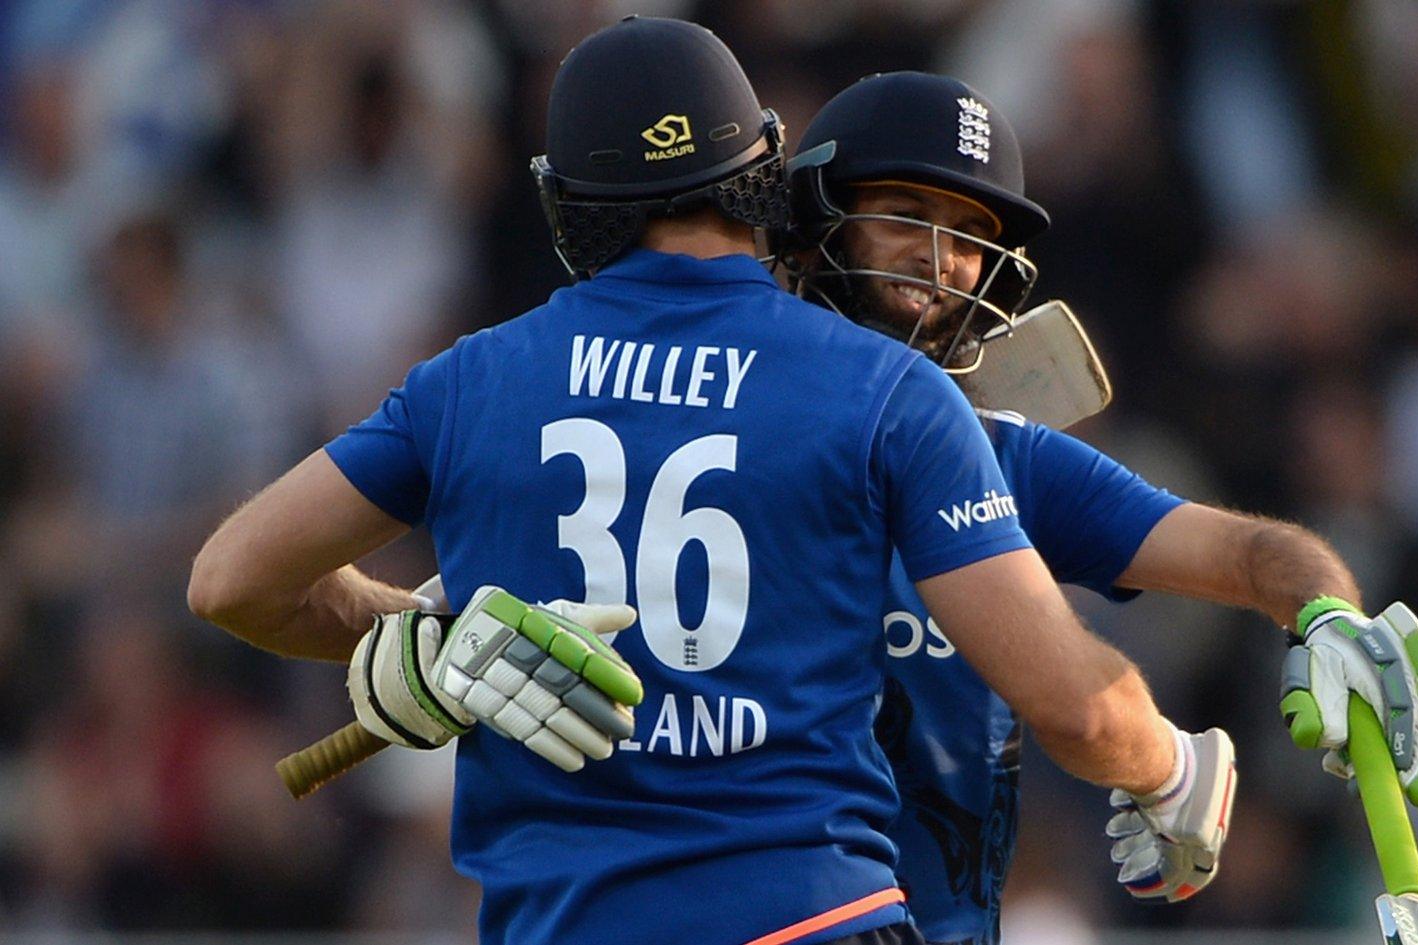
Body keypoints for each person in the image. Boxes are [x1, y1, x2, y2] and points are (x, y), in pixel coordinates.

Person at [188, 19, 1229, 945]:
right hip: (811, 913)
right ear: (768, 166)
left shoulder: (470, 382)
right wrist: (1174, 771)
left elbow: (231, 580)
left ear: (572, 201)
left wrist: (431, 631)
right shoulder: (887, 390)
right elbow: (1074, 708)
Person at [780, 71, 1418, 945]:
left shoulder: (1003, 458)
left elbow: (1253, 554)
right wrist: (1169, 768)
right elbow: (1081, 712)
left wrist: (1326, 612)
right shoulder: (723, 432)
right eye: (906, 212)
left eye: (970, 235)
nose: (938, 259)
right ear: (815, 225)